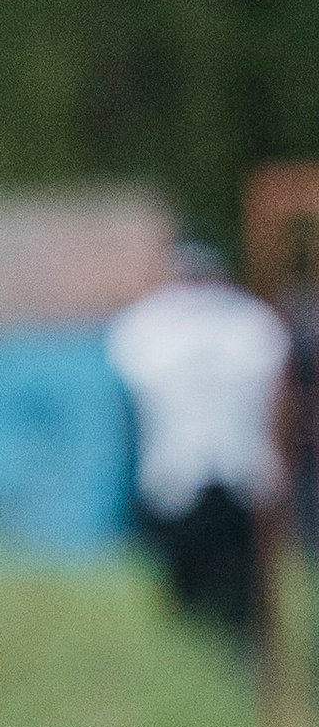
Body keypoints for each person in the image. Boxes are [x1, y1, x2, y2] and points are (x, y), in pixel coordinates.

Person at [104, 246, 289, 645]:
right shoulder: (245, 323)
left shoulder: (150, 325)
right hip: (189, 471)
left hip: (223, 471)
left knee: (226, 584)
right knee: (203, 584)